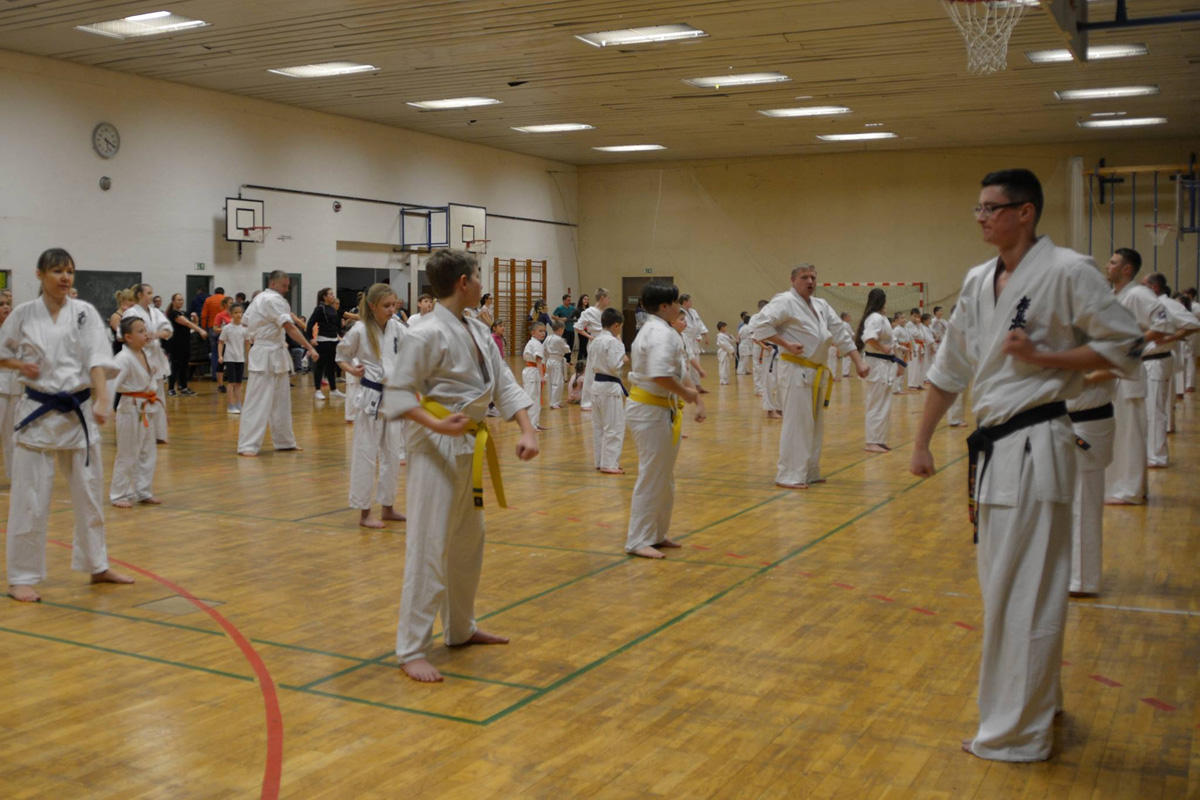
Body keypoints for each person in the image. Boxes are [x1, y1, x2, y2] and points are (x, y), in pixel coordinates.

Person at [910, 168, 1142, 763]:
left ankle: (1018, 733)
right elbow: (950, 366)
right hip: (995, 450)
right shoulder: (976, 280)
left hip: (1038, 444)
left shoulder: (1068, 270)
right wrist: (921, 441)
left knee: (1028, 593)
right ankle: (1039, 702)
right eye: (978, 208)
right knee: (1004, 591)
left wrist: (1046, 357)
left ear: (1025, 212)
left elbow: (1127, 343)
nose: (982, 217)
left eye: (992, 208)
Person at [381, 248, 538, 683]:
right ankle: (411, 648)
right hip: (434, 446)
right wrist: (435, 423)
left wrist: (527, 428)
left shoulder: (477, 328)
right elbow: (398, 392)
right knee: (429, 544)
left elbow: (503, 382)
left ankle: (460, 628)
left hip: (467, 442)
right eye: (478, 276)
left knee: (470, 541)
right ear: (463, 283)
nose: (482, 284)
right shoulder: (424, 332)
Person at [1, 248, 134, 603]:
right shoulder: (23, 314)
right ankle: (21, 577)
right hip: (37, 414)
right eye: (57, 271)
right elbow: (2, 353)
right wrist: (19, 366)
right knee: (29, 500)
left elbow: (97, 358)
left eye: (70, 271)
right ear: (40, 274)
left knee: (89, 495)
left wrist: (102, 399)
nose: (65, 277)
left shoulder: (84, 312)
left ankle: (97, 565)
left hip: (78, 414)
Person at [751, 264, 869, 489]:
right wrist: (785, 343)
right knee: (797, 423)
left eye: (813, 277)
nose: (810, 281)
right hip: (794, 369)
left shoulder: (821, 305)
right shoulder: (785, 301)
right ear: (793, 279)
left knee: (814, 424)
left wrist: (858, 361)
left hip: (815, 371)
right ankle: (788, 475)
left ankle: (809, 471)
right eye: (804, 277)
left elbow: (840, 333)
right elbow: (758, 325)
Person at [624, 282, 705, 559]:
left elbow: (678, 370)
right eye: (676, 302)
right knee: (652, 474)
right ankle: (638, 539)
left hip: (661, 409)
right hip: (650, 410)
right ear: (664, 306)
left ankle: (656, 533)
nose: (679, 307)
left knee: (663, 476)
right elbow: (660, 375)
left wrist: (695, 396)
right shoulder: (659, 333)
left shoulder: (663, 331)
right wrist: (687, 394)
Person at [1102, 249, 1175, 504]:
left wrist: (1136, 343)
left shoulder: (1138, 293)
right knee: (1120, 432)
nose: (1107, 265)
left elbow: (1165, 322)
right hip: (1114, 372)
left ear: (1126, 269)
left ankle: (1130, 489)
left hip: (1130, 373)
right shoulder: (1116, 295)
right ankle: (1126, 485)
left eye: (1113, 262)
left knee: (1131, 432)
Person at [337, 283, 407, 529]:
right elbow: (341, 357)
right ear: (372, 306)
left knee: (392, 453)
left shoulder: (398, 328)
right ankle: (365, 512)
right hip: (371, 397)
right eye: (386, 306)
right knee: (366, 453)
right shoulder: (359, 329)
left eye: (394, 305)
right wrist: (352, 370)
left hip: (394, 396)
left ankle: (388, 506)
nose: (391, 310)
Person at [237, 270, 319, 457]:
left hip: (274, 351)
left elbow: (245, 322)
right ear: (272, 284)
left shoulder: (258, 299)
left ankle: (284, 441)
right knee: (257, 401)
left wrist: (258, 335)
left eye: (287, 286)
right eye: (283, 285)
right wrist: (309, 347)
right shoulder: (273, 300)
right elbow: (289, 327)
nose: (286, 289)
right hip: (265, 353)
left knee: (281, 402)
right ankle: (247, 445)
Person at [109, 317, 162, 508]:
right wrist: (106, 408)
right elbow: (111, 384)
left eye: (145, 330)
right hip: (129, 407)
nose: (146, 334)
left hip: (146, 406)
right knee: (127, 451)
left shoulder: (145, 353)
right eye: (140, 331)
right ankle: (119, 494)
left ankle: (143, 490)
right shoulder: (123, 358)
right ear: (128, 337)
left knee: (148, 451)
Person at [122, 284, 172, 443]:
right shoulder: (131, 313)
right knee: (142, 394)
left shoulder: (156, 312)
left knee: (158, 395)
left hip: (155, 355)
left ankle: (159, 434)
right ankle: (141, 432)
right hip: (139, 355)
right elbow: (122, 334)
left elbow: (167, 331)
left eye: (152, 293)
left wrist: (156, 334)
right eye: (148, 293)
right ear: (139, 295)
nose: (151, 296)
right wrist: (142, 337)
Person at [856, 288, 895, 453]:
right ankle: (872, 441)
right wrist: (882, 348)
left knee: (883, 404)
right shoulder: (875, 318)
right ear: (882, 301)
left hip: (884, 364)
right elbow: (869, 338)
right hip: (877, 363)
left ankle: (879, 440)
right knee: (876, 403)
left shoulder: (881, 317)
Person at [590, 308, 629, 474]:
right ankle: (609, 463)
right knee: (614, 426)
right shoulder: (613, 342)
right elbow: (614, 365)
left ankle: (601, 461)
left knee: (599, 427)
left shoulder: (595, 340)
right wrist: (623, 359)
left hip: (596, 386)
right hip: (610, 388)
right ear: (616, 325)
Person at [166, 293, 208, 396]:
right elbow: (187, 323)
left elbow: (192, 324)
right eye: (178, 300)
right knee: (175, 366)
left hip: (186, 342)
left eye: (181, 300)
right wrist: (200, 330)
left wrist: (196, 318)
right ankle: (171, 388)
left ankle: (183, 387)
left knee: (184, 366)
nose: (180, 302)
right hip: (176, 343)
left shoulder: (184, 313)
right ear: (173, 302)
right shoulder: (173, 313)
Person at [575, 289, 610, 411]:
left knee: (605, 370)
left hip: (607, 342)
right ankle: (587, 401)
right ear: (602, 298)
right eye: (608, 298)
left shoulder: (606, 313)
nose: (609, 300)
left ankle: (601, 398)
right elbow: (578, 327)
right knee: (591, 372)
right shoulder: (589, 312)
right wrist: (589, 337)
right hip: (595, 342)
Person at [308, 287, 343, 401]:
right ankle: (318, 391)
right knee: (320, 366)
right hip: (323, 340)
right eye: (331, 294)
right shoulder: (320, 309)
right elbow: (310, 324)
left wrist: (339, 336)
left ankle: (333, 390)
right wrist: (311, 338)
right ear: (324, 297)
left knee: (331, 366)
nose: (333, 296)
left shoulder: (332, 309)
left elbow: (336, 325)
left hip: (333, 340)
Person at [218, 304, 247, 414]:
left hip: (240, 358)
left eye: (240, 312)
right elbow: (221, 342)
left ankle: (239, 404)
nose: (238, 315)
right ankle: (230, 406)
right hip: (230, 358)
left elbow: (247, 343)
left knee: (239, 383)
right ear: (231, 314)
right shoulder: (227, 328)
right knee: (231, 383)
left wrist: (248, 358)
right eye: (236, 312)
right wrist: (220, 356)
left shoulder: (244, 328)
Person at [0, 292, 16, 478]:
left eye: (7, 304)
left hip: (15, 388)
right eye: (1, 304)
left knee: (12, 435)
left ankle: (15, 476)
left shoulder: (17, 330)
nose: (5, 307)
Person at [521, 321, 547, 431]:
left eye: (544, 331)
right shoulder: (535, 344)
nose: (543, 333)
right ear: (533, 333)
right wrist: (542, 376)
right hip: (533, 372)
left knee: (536, 399)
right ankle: (531, 424)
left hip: (533, 372)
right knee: (532, 398)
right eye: (540, 331)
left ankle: (535, 422)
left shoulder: (535, 343)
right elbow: (538, 360)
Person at [200, 286, 225, 385]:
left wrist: (203, 328)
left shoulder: (208, 300)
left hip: (212, 328)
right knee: (225, 352)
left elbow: (203, 315)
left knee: (214, 352)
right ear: (223, 293)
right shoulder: (225, 299)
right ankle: (224, 375)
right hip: (224, 328)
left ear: (214, 292)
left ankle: (215, 375)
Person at [544, 320, 570, 409]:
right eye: (563, 329)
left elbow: (544, 349)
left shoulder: (548, 337)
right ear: (560, 329)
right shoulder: (559, 339)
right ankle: (554, 402)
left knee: (551, 382)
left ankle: (553, 401)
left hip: (549, 360)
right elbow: (567, 349)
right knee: (558, 382)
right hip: (556, 361)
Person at [891, 312, 912, 395]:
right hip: (898, 351)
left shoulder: (906, 328)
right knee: (898, 369)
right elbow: (893, 341)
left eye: (905, 317)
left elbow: (909, 339)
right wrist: (901, 347)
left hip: (905, 351)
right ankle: (896, 389)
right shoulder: (896, 330)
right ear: (896, 320)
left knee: (903, 369)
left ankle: (900, 387)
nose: (904, 319)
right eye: (902, 318)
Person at [905, 309, 926, 390]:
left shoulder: (919, 325)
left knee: (920, 366)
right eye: (914, 316)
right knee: (913, 365)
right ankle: (912, 384)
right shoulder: (908, 325)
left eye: (918, 316)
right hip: (914, 346)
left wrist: (918, 325)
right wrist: (918, 326)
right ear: (911, 316)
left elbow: (922, 336)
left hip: (920, 346)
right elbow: (917, 334)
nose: (916, 318)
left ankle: (919, 383)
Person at [552, 293, 575, 360]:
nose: (569, 301)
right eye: (568, 300)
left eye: (570, 300)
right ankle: (564, 359)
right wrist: (561, 319)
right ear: (564, 300)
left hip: (571, 328)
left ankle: (569, 360)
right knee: (565, 344)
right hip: (564, 329)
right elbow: (553, 316)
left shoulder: (572, 308)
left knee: (571, 344)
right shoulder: (559, 308)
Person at [573, 294, 592, 363]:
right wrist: (578, 321)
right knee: (582, 347)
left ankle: (586, 363)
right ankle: (579, 364)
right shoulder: (578, 310)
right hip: (581, 331)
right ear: (581, 300)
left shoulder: (588, 310)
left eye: (587, 299)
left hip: (588, 330)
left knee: (587, 348)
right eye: (585, 299)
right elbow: (569, 318)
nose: (586, 300)